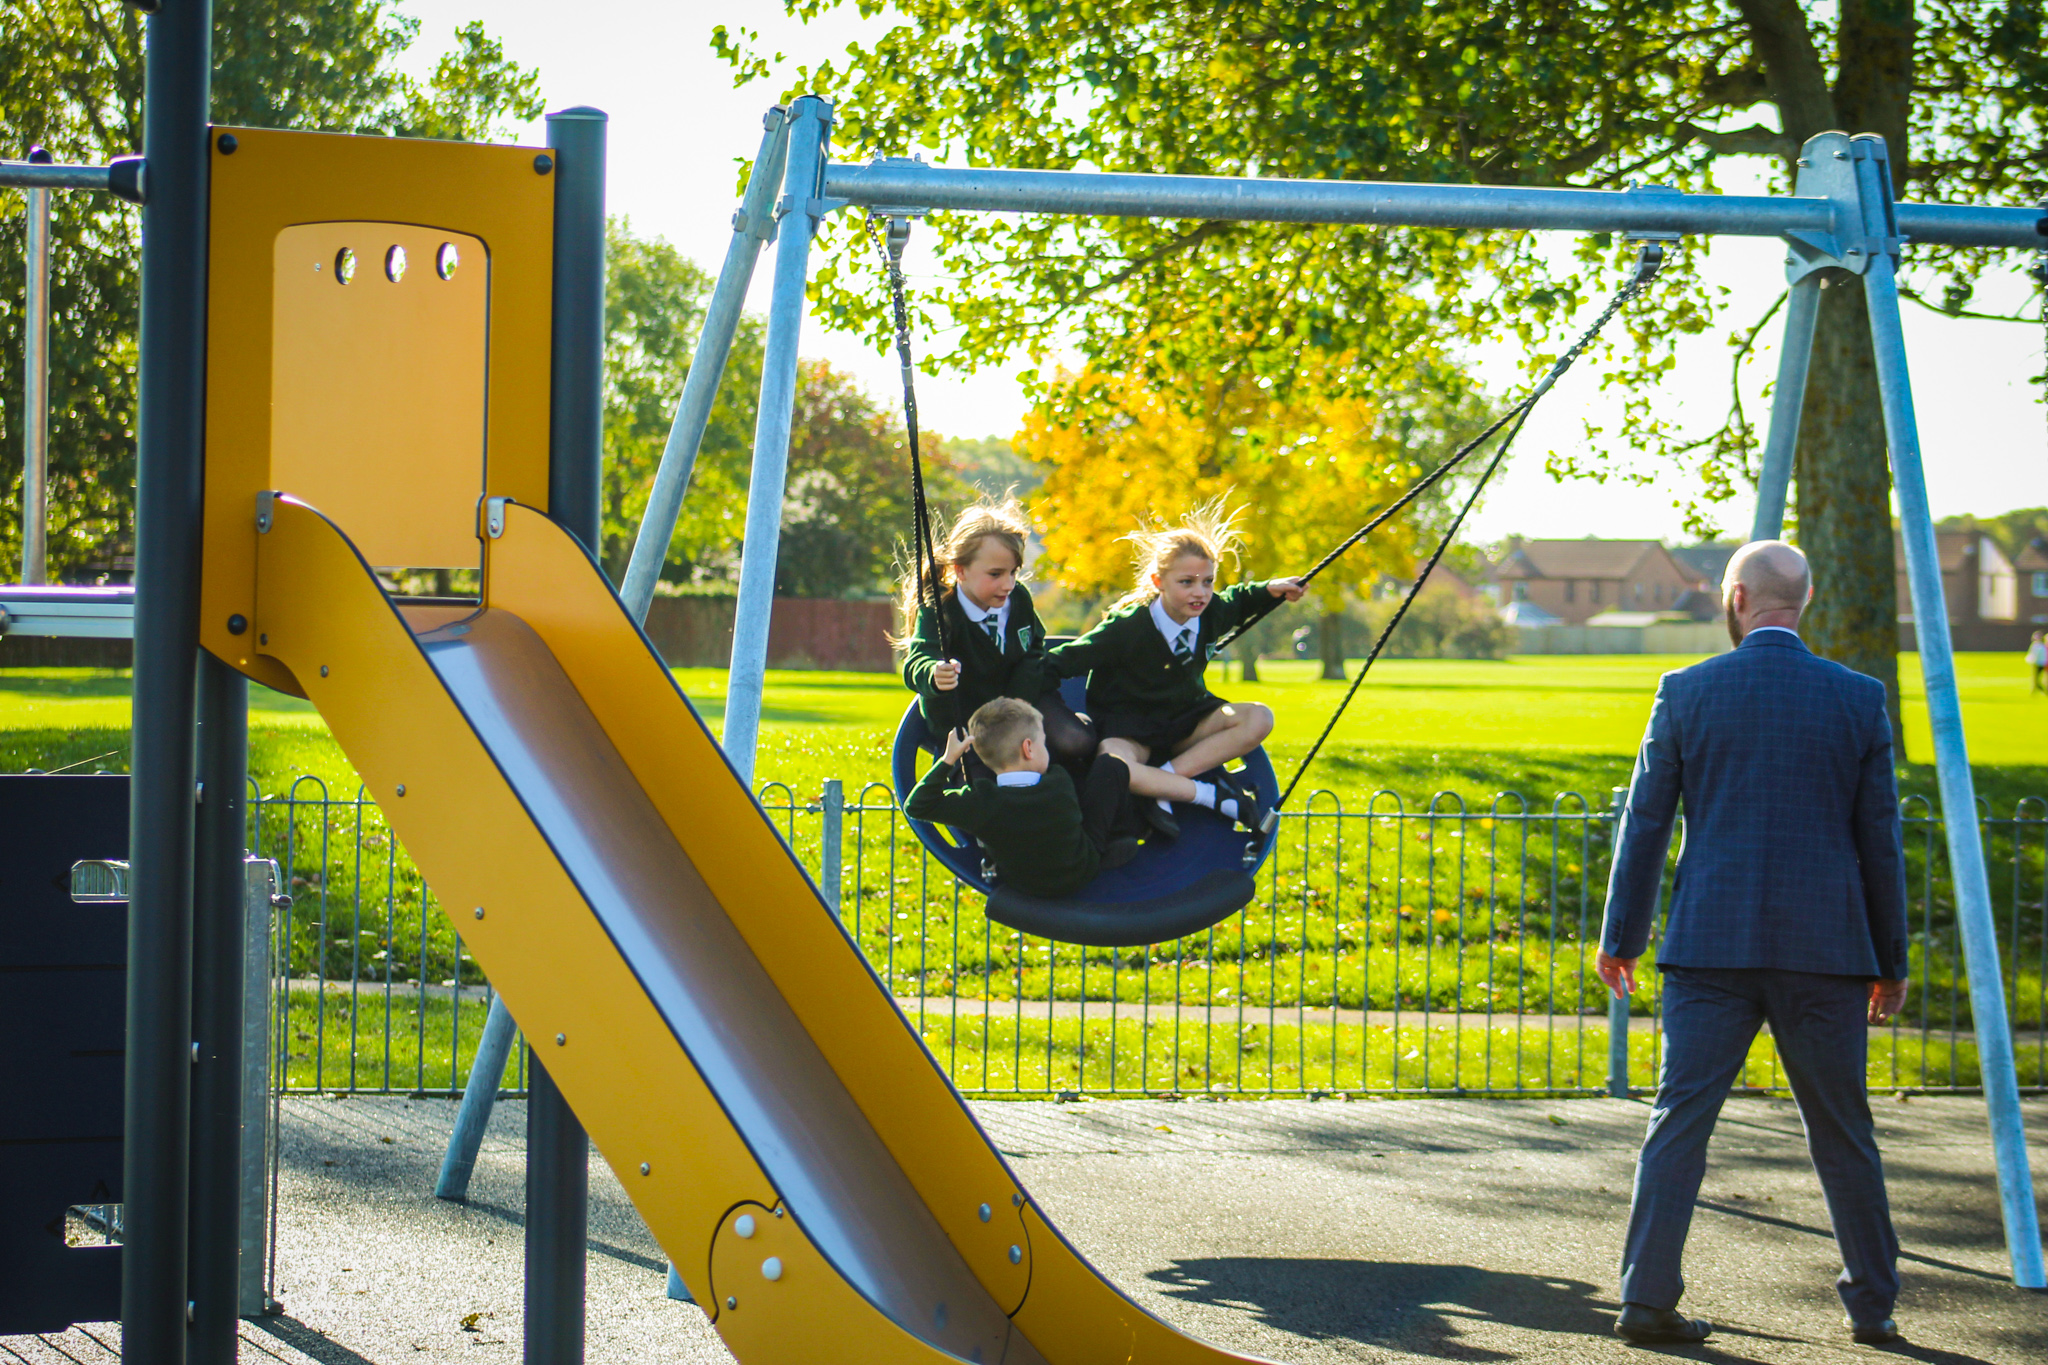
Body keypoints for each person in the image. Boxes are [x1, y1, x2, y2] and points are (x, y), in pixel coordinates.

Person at [1596, 539, 1910, 1347]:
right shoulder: (1859, 697)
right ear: (1801, 600)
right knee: (1844, 1130)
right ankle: (1872, 1302)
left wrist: (1620, 936)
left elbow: (1647, 823)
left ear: (1736, 597)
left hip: (1711, 944)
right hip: (1828, 952)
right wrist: (1892, 960)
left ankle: (1644, 1296)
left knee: (1679, 1122)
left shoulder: (1686, 690)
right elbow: (1880, 840)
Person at [1047, 500, 1304, 838]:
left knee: (1260, 717)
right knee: (1113, 765)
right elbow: (1065, 660)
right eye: (1186, 582)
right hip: (1130, 729)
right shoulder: (1127, 628)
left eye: (1208, 581)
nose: (1200, 593)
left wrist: (1271, 590)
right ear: (1158, 581)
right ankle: (1207, 795)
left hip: (1187, 721)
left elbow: (1240, 600)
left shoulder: (1212, 611)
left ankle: (1162, 784)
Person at [898, 497, 1095, 777]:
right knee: (991, 782)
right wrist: (934, 673)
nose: (1008, 584)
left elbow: (1034, 647)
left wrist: (1019, 701)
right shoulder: (940, 612)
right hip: (971, 721)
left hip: (1023, 703)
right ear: (960, 570)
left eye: (1013, 572)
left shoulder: (1018, 599)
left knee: (1078, 742)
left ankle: (1072, 796)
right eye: (995, 574)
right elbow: (918, 660)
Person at [903, 697, 1139, 898]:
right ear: (1028, 748)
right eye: (1044, 744)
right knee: (1110, 767)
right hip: (1080, 871)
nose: (1047, 749)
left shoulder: (980, 801)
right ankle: (1121, 835)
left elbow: (917, 805)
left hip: (1021, 885)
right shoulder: (1059, 781)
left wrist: (949, 759)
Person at [2026, 629, 2046, 695]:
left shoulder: (2037, 646)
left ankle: (2043, 691)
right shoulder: (2042, 645)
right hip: (2042, 663)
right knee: (2037, 679)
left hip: (2037, 664)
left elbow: (2034, 656)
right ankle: (2034, 691)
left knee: (2036, 680)